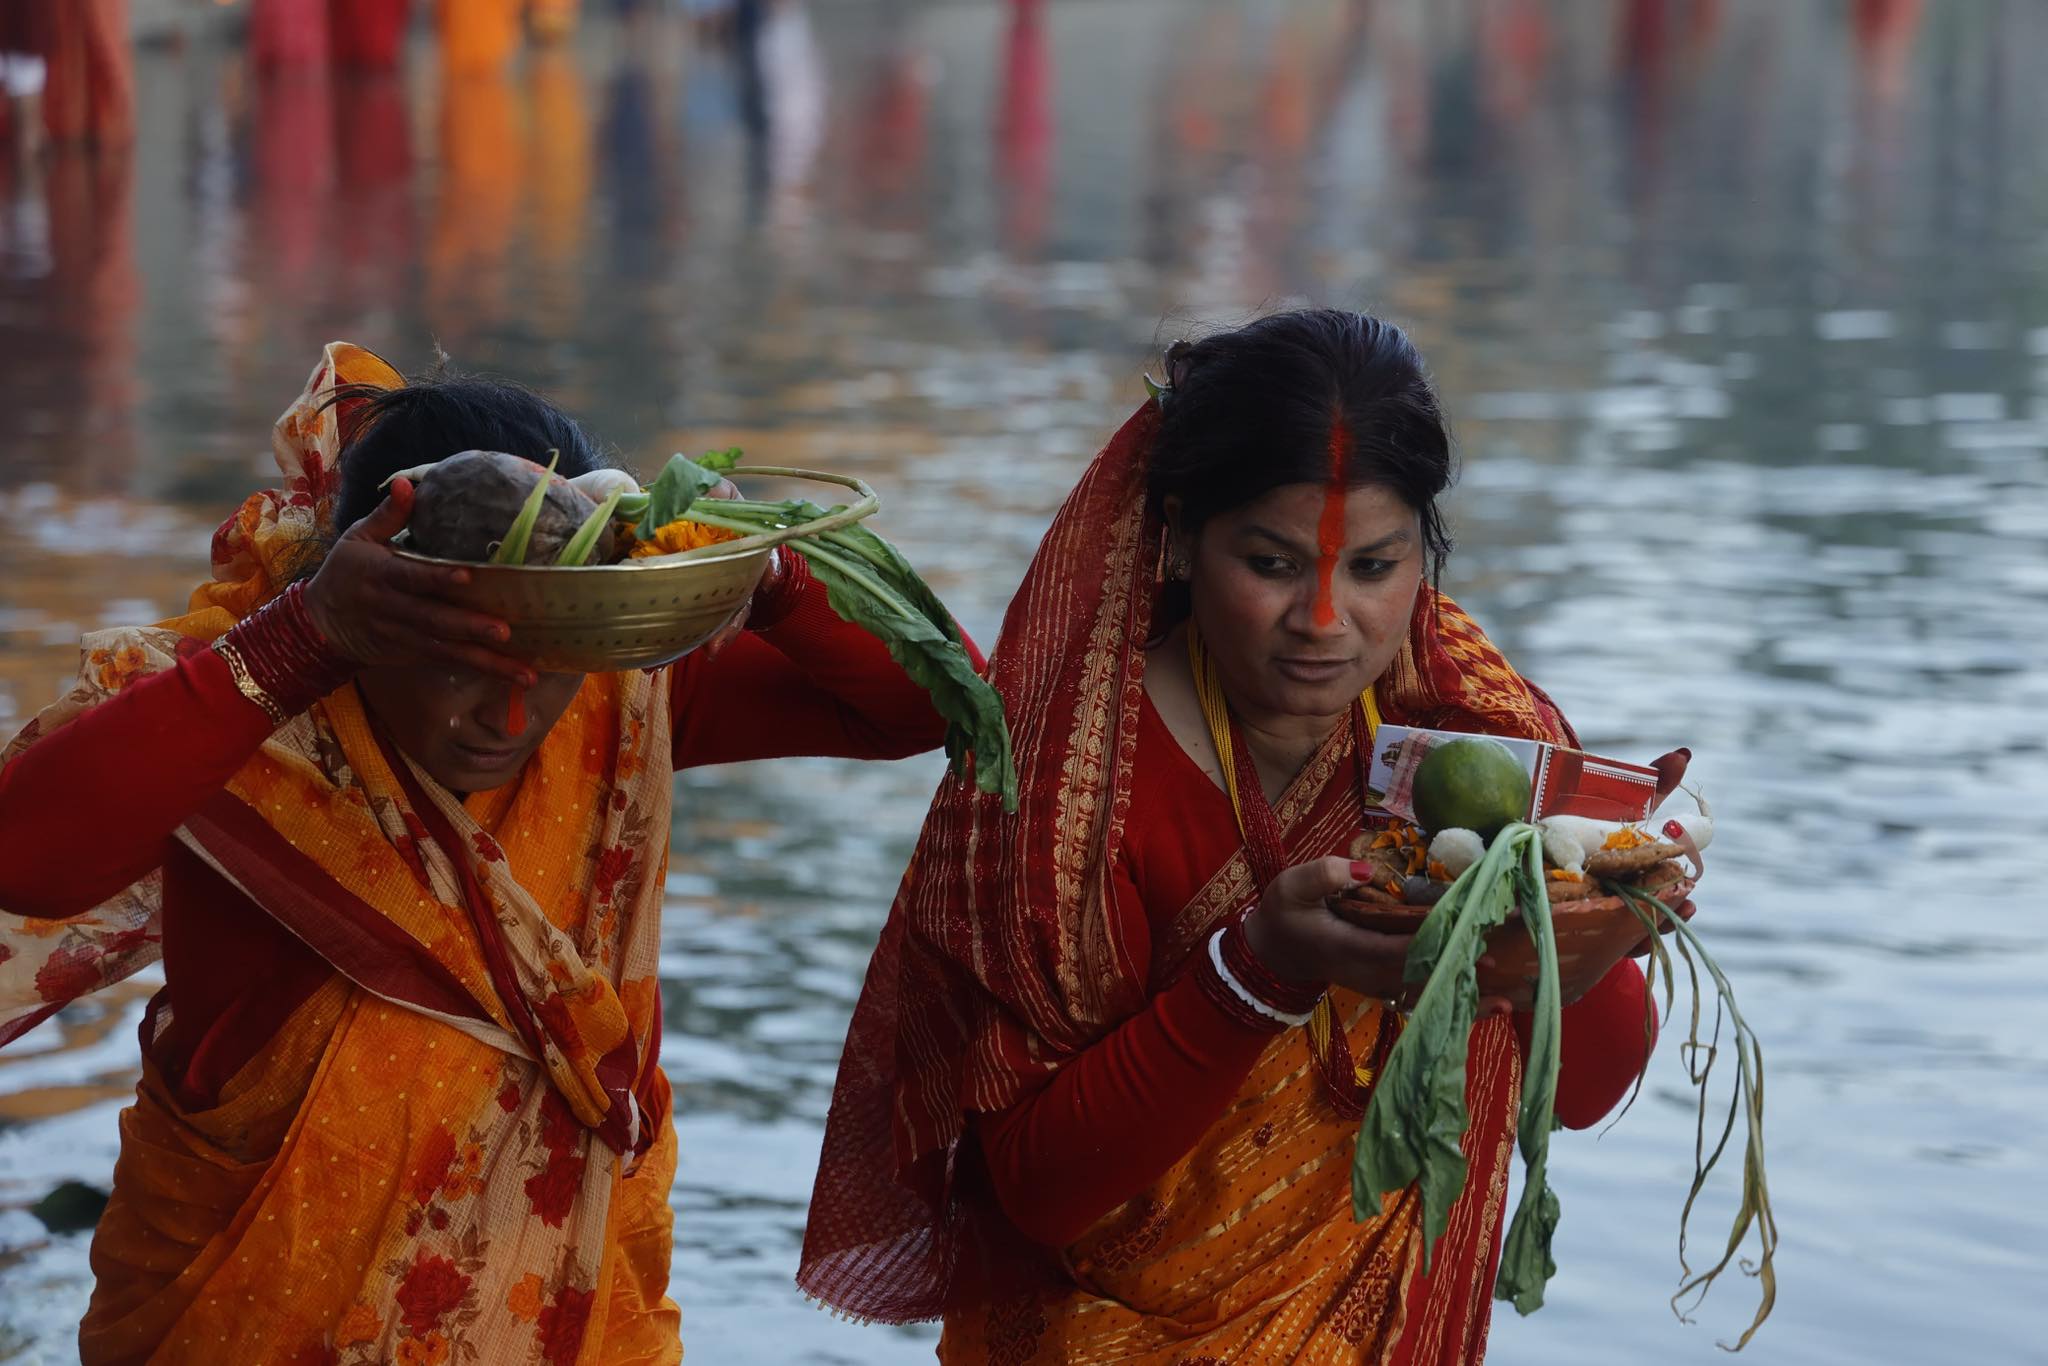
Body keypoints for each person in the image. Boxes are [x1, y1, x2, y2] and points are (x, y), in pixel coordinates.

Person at [0, 342, 975, 1364]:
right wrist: (303, 639)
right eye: (455, 663)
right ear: (362, 604)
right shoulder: (242, 699)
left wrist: (761, 568)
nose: (509, 713)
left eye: (543, 666)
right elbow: (26, 857)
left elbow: (925, 703)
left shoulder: (613, 692)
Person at [800, 310, 1687, 1362]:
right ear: (1177, 535)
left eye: (1371, 568)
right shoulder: (1064, 786)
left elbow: (1584, 1093)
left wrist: (1574, 929)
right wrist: (1256, 969)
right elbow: (1035, 1190)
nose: (1323, 621)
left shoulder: (1474, 731)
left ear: (1422, 552)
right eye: (1269, 563)